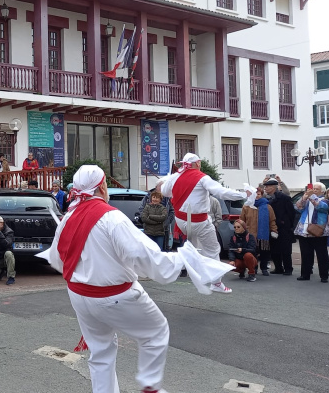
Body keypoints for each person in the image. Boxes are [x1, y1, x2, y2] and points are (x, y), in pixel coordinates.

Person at [44, 165, 209, 393]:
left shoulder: (69, 217)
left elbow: (56, 258)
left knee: (101, 352)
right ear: (102, 187)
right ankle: (150, 385)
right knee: (156, 331)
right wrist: (185, 259)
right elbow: (146, 257)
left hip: (79, 295)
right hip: (114, 295)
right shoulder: (111, 217)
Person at [159, 153, 248, 293]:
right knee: (213, 250)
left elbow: (164, 192)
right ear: (198, 163)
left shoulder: (175, 176)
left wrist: (173, 184)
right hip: (199, 222)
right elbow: (221, 192)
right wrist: (243, 195)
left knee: (192, 247)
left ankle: (180, 264)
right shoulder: (202, 178)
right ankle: (216, 282)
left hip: (181, 221)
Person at [293, 182, 329, 283]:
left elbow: (321, 207)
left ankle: (324, 275)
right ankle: (305, 274)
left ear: (322, 191)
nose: (314, 190)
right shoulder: (308, 200)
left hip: (318, 230)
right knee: (305, 253)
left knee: (321, 254)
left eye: (316, 189)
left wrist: (312, 197)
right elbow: (297, 207)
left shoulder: (325, 201)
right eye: (313, 189)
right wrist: (304, 198)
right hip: (305, 230)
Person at [240, 186, 278, 276]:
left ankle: (264, 268)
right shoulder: (246, 206)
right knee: (252, 252)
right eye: (255, 194)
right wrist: (242, 231)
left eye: (259, 194)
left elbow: (272, 220)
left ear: (262, 195)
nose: (257, 196)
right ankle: (254, 268)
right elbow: (242, 220)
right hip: (250, 234)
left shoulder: (268, 207)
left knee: (264, 252)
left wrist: (274, 230)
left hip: (263, 235)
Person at [263, 178, 296, 275]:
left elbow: (291, 212)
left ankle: (288, 268)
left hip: (283, 227)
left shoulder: (284, 198)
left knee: (285, 250)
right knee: (274, 249)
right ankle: (278, 268)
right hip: (272, 226)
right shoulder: (267, 199)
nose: (265, 188)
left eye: (267, 187)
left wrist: (286, 223)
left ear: (273, 187)